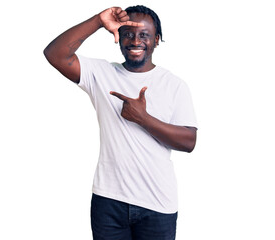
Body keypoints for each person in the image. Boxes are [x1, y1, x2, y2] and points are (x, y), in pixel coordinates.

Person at [44, 5, 198, 240]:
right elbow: (55, 54)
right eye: (128, 33)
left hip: (157, 203)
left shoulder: (174, 85)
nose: (135, 40)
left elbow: (189, 141)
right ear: (118, 37)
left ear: (156, 40)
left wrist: (143, 118)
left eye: (144, 35)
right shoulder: (101, 73)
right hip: (109, 202)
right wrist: (98, 20)